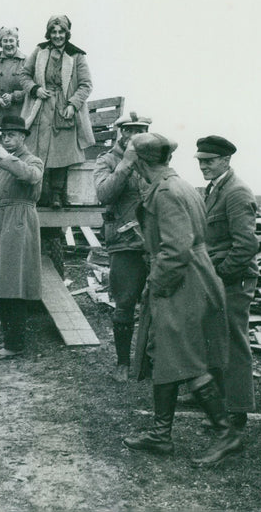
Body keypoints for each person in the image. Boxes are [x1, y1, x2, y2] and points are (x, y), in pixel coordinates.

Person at [122, 133, 241, 466]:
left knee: (184, 356)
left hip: (182, 280)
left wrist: (156, 284)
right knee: (166, 351)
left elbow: (176, 249)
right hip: (189, 275)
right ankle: (161, 434)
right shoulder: (180, 185)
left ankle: (226, 433)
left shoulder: (167, 193)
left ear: (139, 162)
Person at [195, 135, 259, 435]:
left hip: (233, 279)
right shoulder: (215, 189)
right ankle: (221, 405)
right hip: (218, 278)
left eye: (209, 161)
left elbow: (246, 245)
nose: (203, 166)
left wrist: (222, 274)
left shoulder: (236, 192)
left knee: (234, 343)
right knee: (217, 342)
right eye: (200, 161)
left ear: (226, 160)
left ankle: (238, 410)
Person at [0, 115, 44, 359]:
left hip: (19, 223)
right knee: (3, 283)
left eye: (11, 135)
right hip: (4, 220)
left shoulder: (32, 160)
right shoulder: (7, 162)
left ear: (23, 137)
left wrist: (6, 158)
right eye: (4, 135)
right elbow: (6, 188)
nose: (6, 139)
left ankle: (15, 343)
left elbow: (31, 176)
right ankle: (10, 339)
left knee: (14, 284)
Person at [93, 111, 152, 382]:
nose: (135, 135)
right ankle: (123, 363)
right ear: (121, 132)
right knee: (125, 303)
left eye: (141, 130)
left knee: (158, 303)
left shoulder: (153, 160)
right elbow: (104, 194)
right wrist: (126, 163)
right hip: (125, 242)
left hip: (153, 241)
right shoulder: (106, 160)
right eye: (130, 130)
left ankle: (150, 362)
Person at [19, 14, 94, 208]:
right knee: (37, 149)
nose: (57, 35)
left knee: (61, 151)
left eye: (61, 32)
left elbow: (86, 85)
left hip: (64, 108)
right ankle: (38, 193)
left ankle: (56, 195)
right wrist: (35, 89)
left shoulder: (77, 56)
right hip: (41, 107)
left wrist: (73, 104)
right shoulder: (40, 51)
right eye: (54, 31)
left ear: (67, 33)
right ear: (49, 33)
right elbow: (24, 75)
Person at [0, 26, 26, 127]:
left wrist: (13, 96)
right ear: (0, 43)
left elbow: (31, 89)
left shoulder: (26, 62)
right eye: (5, 41)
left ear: (17, 42)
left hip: (20, 114)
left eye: (11, 40)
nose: (8, 44)